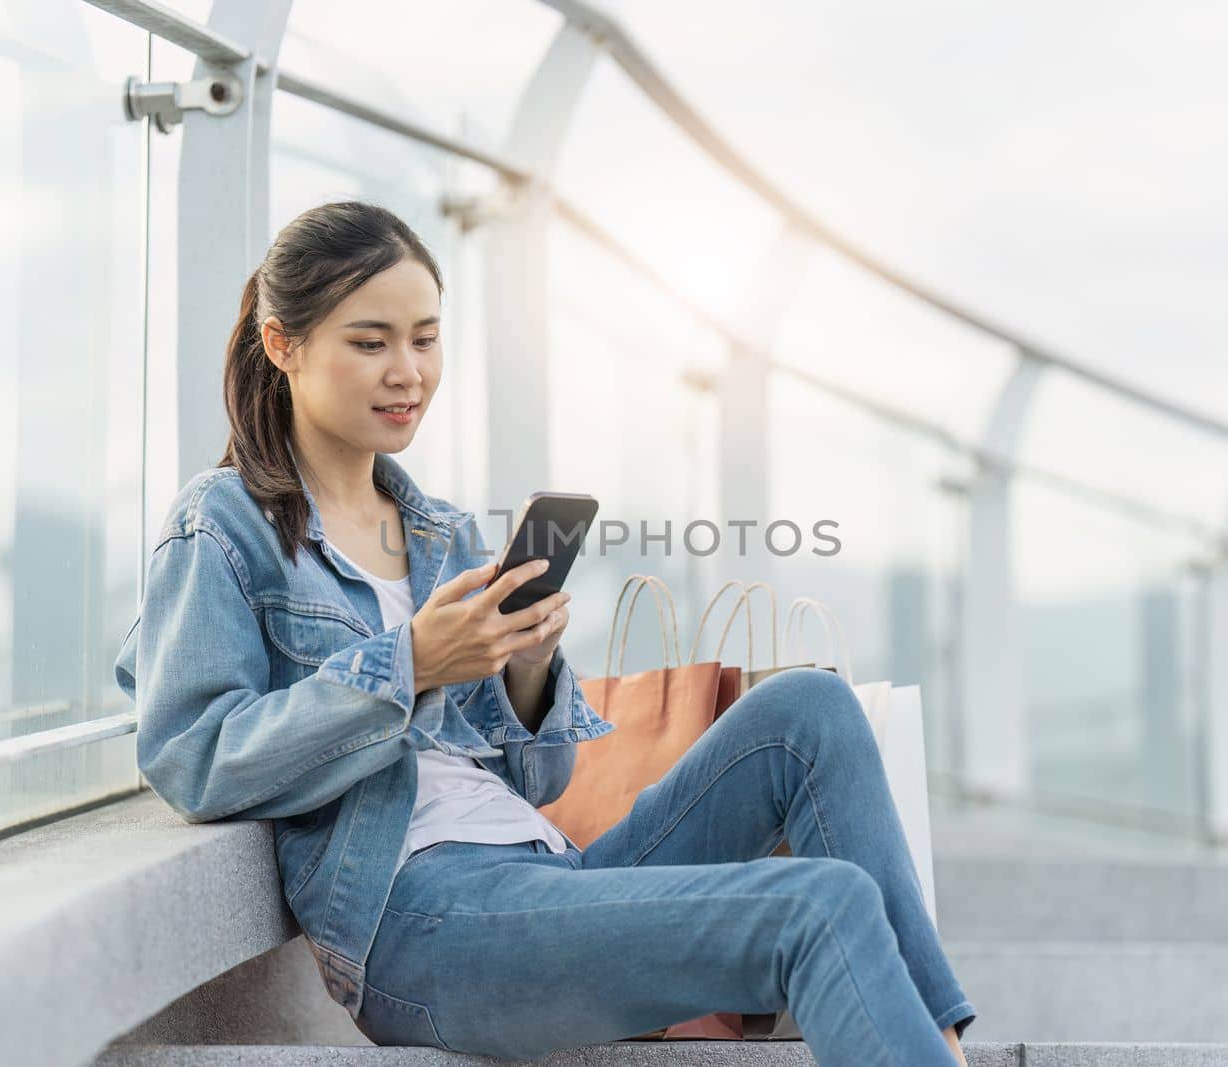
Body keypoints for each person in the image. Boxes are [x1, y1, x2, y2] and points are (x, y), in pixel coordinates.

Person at [114, 201, 976, 1066]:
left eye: (425, 338)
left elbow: (539, 778)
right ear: (282, 344)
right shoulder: (223, 524)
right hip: (424, 925)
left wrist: (526, 666)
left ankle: (939, 1045)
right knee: (816, 903)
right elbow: (193, 755)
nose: (407, 372)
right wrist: (409, 663)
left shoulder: (440, 532)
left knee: (812, 708)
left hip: (550, 877)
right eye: (370, 342)